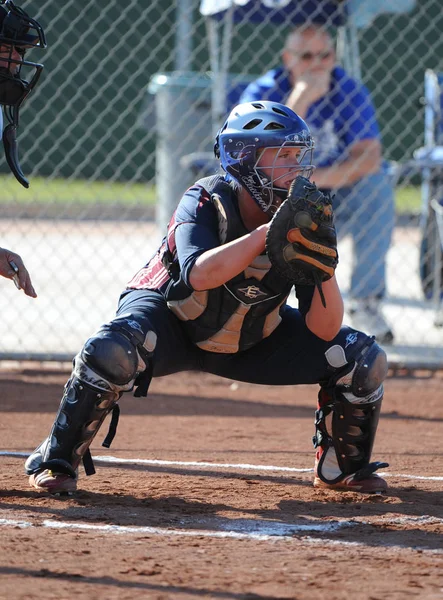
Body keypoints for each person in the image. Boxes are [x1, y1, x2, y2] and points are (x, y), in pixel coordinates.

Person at [25, 101, 389, 496]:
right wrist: (264, 236)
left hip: (252, 332)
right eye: (281, 155)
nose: (295, 168)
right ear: (245, 159)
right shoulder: (206, 197)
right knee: (110, 350)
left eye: (298, 156)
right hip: (170, 321)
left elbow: (324, 328)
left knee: (362, 359)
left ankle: (342, 468)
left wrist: (324, 267)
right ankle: (56, 457)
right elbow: (198, 274)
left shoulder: (303, 213)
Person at [240, 24, 395, 344]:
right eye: (307, 56)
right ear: (288, 58)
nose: (317, 64)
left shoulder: (347, 89)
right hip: (276, 195)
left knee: (377, 184)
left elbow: (369, 157)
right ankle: (252, 301)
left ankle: (366, 303)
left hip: (334, 193)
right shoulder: (264, 91)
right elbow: (253, 157)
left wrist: (311, 179)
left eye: (325, 55)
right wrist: (301, 98)